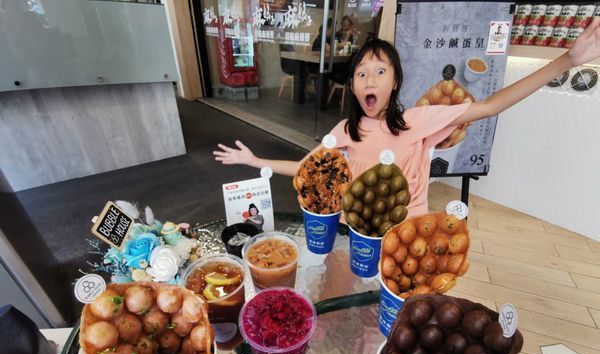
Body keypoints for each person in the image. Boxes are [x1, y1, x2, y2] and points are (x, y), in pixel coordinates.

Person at [215, 20, 600, 217]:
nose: (370, 80)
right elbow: (306, 169)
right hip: (356, 235)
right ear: (353, 85)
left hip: (404, 236)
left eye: (380, 71)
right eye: (361, 73)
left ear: (395, 81)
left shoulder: (419, 120)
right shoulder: (345, 131)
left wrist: (566, 60)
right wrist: (254, 160)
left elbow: (490, 106)